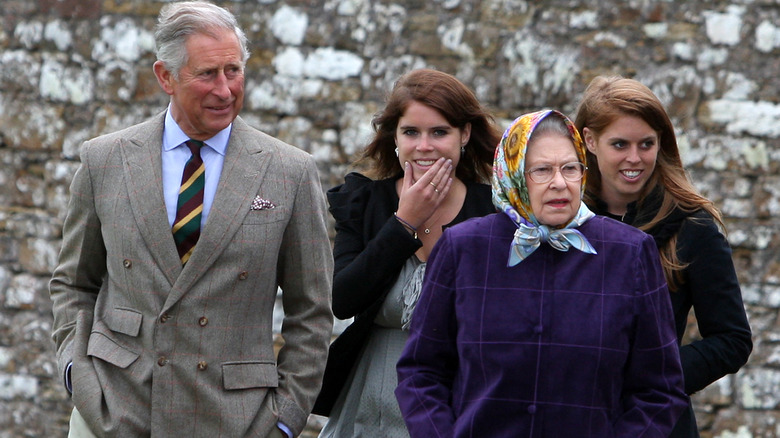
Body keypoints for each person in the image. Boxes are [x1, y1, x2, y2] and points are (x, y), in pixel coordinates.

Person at [48, 2, 333, 437]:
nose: (225, 89)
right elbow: (74, 283)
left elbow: (311, 312)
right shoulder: (104, 160)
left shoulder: (289, 171)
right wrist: (76, 373)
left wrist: (285, 421)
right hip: (113, 410)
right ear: (166, 76)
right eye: (207, 74)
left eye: (234, 71)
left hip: (236, 421)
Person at [395, 109, 689, 437]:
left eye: (570, 168)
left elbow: (660, 390)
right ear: (514, 175)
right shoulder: (463, 247)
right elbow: (420, 373)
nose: (559, 183)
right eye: (542, 170)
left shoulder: (630, 252)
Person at [314, 68, 501, 437]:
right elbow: (342, 299)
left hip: (459, 398)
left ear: (464, 134)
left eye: (440, 132)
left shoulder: (493, 212)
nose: (424, 146)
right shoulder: (364, 201)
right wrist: (404, 223)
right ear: (395, 138)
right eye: (411, 132)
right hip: (370, 399)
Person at [574, 75, 752, 437]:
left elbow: (732, 339)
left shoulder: (692, 226)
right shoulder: (559, 220)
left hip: (657, 425)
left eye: (647, 144)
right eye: (620, 144)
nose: (635, 158)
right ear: (590, 140)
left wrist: (654, 377)